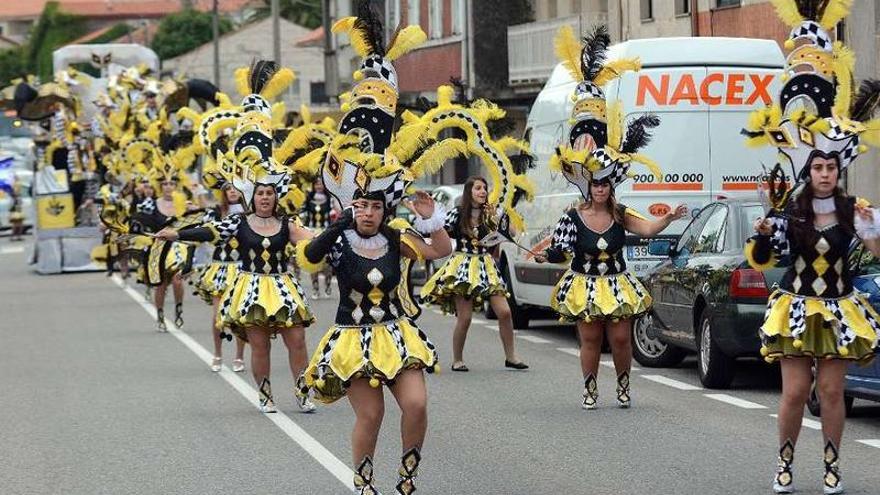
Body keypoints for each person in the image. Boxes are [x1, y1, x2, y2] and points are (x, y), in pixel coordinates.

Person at [741, 1, 880, 492]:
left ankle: (832, 465)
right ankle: (785, 463)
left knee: (833, 392)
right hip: (798, 306)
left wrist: (872, 230)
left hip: (840, 308)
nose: (823, 174)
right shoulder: (791, 210)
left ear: (837, 170)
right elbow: (761, 259)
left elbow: (879, 253)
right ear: (808, 169)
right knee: (796, 392)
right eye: (816, 167)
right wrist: (760, 234)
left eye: (830, 168)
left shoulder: (855, 209)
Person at [536, 23, 684, 410]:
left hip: (617, 283)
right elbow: (561, 249)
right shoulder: (573, 216)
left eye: (605, 184)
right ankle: (589, 388)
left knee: (619, 339)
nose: (600, 189)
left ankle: (622, 383)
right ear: (589, 185)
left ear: (611, 186)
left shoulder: (621, 213)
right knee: (590, 339)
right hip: (585, 283)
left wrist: (667, 219)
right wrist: (548, 254)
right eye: (595, 184)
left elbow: (648, 227)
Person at [420, 176, 528, 371]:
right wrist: (429, 218)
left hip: (486, 266)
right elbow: (439, 233)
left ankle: (511, 357)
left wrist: (497, 217)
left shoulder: (491, 213)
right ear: (469, 192)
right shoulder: (458, 213)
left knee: (504, 312)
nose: (483, 191)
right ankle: (457, 359)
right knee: (466, 317)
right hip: (463, 266)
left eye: (485, 188)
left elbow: (511, 233)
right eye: (478, 188)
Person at [193, 184, 247, 373]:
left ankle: (239, 356)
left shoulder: (250, 213)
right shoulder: (214, 213)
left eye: (235, 188)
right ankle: (217, 354)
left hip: (242, 269)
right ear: (223, 193)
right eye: (228, 189)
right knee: (218, 316)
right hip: (220, 269)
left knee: (239, 317)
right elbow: (200, 233)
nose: (232, 192)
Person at [301, 177, 336, 298]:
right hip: (311, 234)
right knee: (312, 261)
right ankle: (315, 288)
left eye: (321, 184)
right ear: (313, 185)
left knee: (327, 263)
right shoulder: (308, 199)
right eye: (316, 184)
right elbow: (301, 214)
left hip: (326, 233)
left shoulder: (330, 199)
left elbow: (335, 214)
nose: (319, 186)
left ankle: (327, 285)